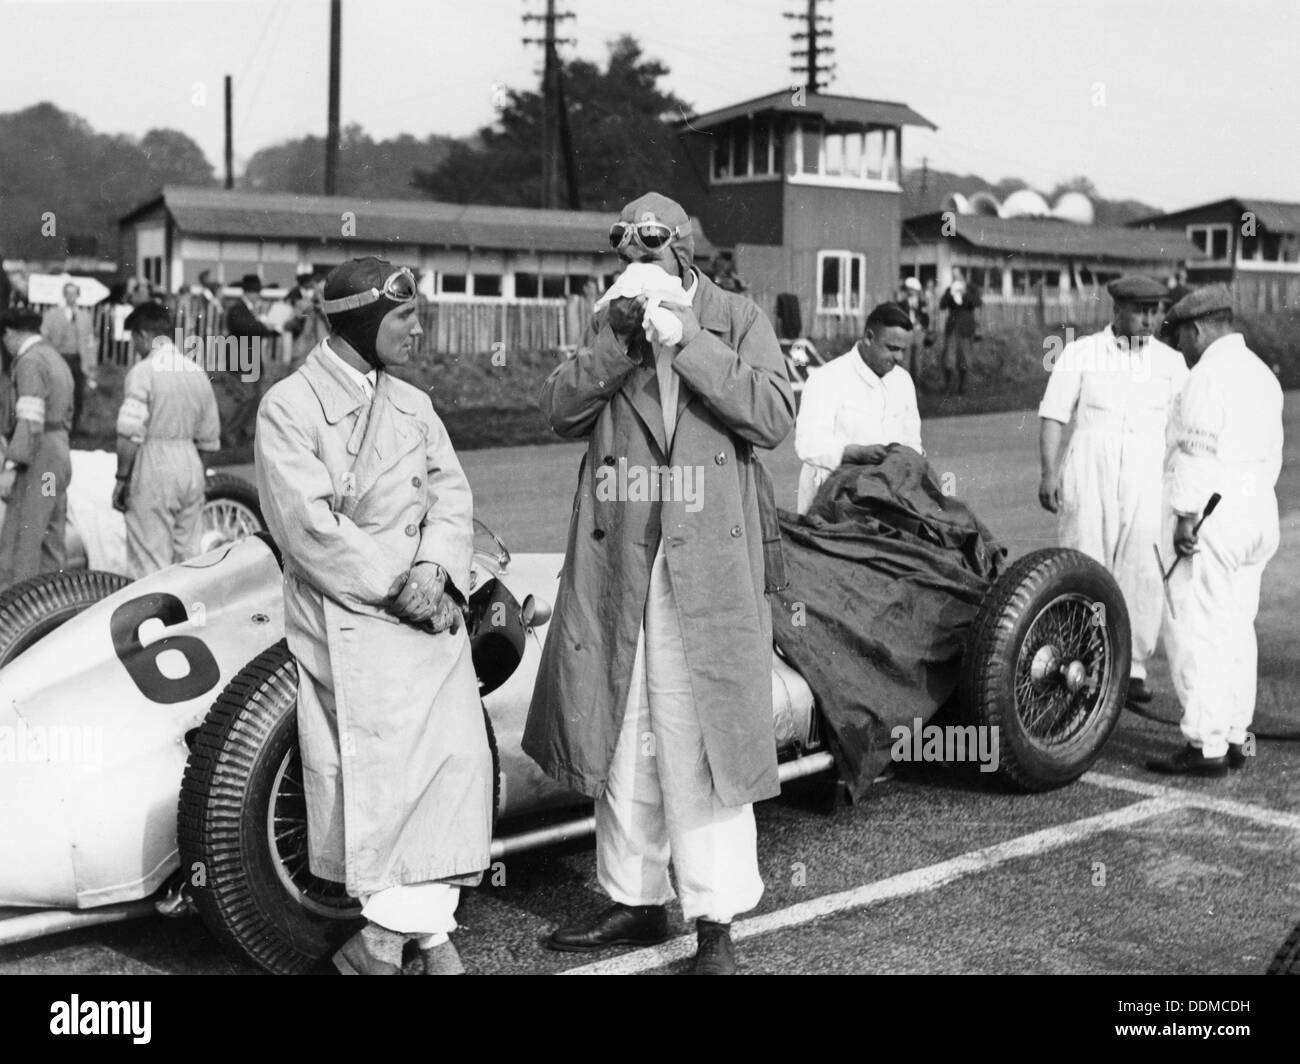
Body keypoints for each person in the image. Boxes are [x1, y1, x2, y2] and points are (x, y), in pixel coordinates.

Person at [524, 191, 795, 975]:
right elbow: (559, 409)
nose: (635, 269)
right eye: (626, 256)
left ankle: (714, 918)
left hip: (707, 555)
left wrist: (693, 341)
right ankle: (634, 898)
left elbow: (774, 416)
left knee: (702, 729)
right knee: (626, 720)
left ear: (684, 250)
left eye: (650, 253)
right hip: (626, 554)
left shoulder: (736, 315)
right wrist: (618, 342)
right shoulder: (611, 317)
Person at [255, 256, 491, 975]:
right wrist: (398, 583)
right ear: (361, 323)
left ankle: (386, 943)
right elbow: (309, 529)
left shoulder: (414, 405)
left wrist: (435, 570)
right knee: (386, 772)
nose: (419, 329)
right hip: (348, 610)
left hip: (423, 606)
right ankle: (417, 941)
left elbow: (452, 498)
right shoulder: (290, 407)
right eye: (403, 317)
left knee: (454, 763)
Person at [1146, 285, 1283, 777]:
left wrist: (1185, 517)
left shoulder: (1207, 375)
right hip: (1258, 510)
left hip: (1213, 513)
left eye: (1179, 337)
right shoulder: (1263, 374)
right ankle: (1231, 734)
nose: (1178, 349)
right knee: (1236, 628)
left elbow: (1196, 452)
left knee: (1197, 627)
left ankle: (1203, 744)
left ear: (1197, 330)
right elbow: (1273, 454)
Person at [1037, 275, 1188, 706]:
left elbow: (1182, 429)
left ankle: (1132, 668)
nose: (1149, 318)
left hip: (1147, 470)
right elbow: (1053, 415)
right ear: (1117, 309)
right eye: (1140, 309)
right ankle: (1079, 663)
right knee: (1084, 560)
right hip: (1089, 466)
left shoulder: (1171, 363)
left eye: (1156, 310)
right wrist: (1048, 473)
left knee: (1142, 566)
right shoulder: (1081, 352)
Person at [111, 302, 221, 577]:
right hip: (191, 464)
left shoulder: (143, 371)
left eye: (135, 339)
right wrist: (196, 473)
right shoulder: (196, 372)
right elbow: (209, 439)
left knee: (149, 561)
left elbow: (129, 434)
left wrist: (122, 479)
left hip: (154, 465)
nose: (135, 346)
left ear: (145, 336)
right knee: (188, 559)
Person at [794, 302, 923, 514]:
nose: (899, 358)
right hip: (831, 501)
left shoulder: (903, 381)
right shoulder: (826, 379)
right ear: (869, 337)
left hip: (889, 498)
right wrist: (853, 453)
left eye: (903, 350)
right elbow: (808, 444)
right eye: (892, 348)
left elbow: (913, 443)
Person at [0, 307, 74, 587]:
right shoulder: (56, 358)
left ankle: (19, 612)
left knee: (24, 534)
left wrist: (11, 465)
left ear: (9, 333)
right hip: (58, 453)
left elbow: (30, 419)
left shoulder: (30, 361)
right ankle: (54, 604)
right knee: (51, 533)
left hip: (39, 457)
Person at [217, 274, 278, 449]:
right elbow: (245, 328)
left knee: (251, 398)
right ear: (251, 292)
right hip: (242, 360)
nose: (258, 295)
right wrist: (264, 326)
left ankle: (237, 433)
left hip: (247, 360)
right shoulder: (238, 309)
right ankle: (230, 433)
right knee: (247, 397)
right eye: (256, 292)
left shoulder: (242, 308)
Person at [40, 282, 97, 434]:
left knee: (77, 394)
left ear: (78, 295)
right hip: (60, 358)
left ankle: (74, 427)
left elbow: (90, 341)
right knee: (58, 392)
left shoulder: (85, 316)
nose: (71, 296)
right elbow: (44, 337)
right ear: (64, 295)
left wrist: (91, 365)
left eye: (74, 293)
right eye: (68, 293)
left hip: (78, 360)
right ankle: (57, 425)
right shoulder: (52, 315)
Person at [939, 268, 981, 395]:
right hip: (952, 327)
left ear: (963, 275)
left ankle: (962, 386)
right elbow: (942, 305)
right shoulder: (950, 289)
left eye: (957, 275)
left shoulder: (971, 288)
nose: (955, 277)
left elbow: (977, 302)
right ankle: (947, 387)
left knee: (965, 359)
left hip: (966, 328)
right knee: (949, 359)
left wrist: (963, 293)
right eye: (953, 275)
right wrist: (951, 293)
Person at [896, 276, 931, 381]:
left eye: (911, 289)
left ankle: (917, 383)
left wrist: (923, 328)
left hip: (918, 331)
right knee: (905, 359)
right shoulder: (902, 303)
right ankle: (905, 383)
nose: (910, 291)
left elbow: (926, 318)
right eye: (908, 289)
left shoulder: (921, 303)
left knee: (917, 359)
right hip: (907, 331)